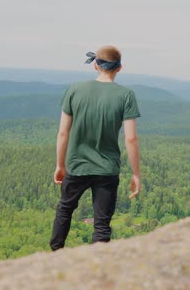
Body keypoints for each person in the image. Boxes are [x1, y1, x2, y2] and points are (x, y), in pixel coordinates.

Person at [49, 45, 142, 251]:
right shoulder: (126, 95)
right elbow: (131, 139)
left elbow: (63, 132)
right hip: (107, 169)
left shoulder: (75, 89)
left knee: (65, 209)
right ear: (119, 68)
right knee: (102, 224)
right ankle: (98, 264)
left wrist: (60, 164)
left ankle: (55, 255)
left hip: (77, 165)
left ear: (95, 66)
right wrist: (136, 174)